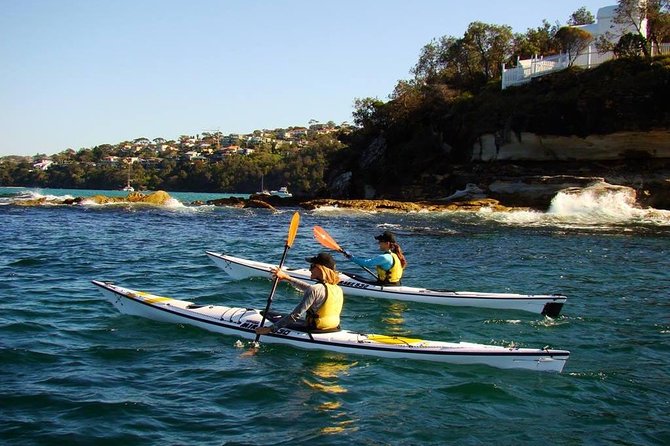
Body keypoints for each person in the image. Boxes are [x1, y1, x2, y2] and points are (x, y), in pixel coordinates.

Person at [255, 252, 343, 335]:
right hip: (333, 327)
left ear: (321, 269)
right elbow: (310, 289)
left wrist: (270, 329)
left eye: (312, 266)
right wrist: (287, 277)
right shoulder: (337, 289)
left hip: (315, 328)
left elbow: (295, 315)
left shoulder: (315, 289)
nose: (309, 269)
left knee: (276, 317)